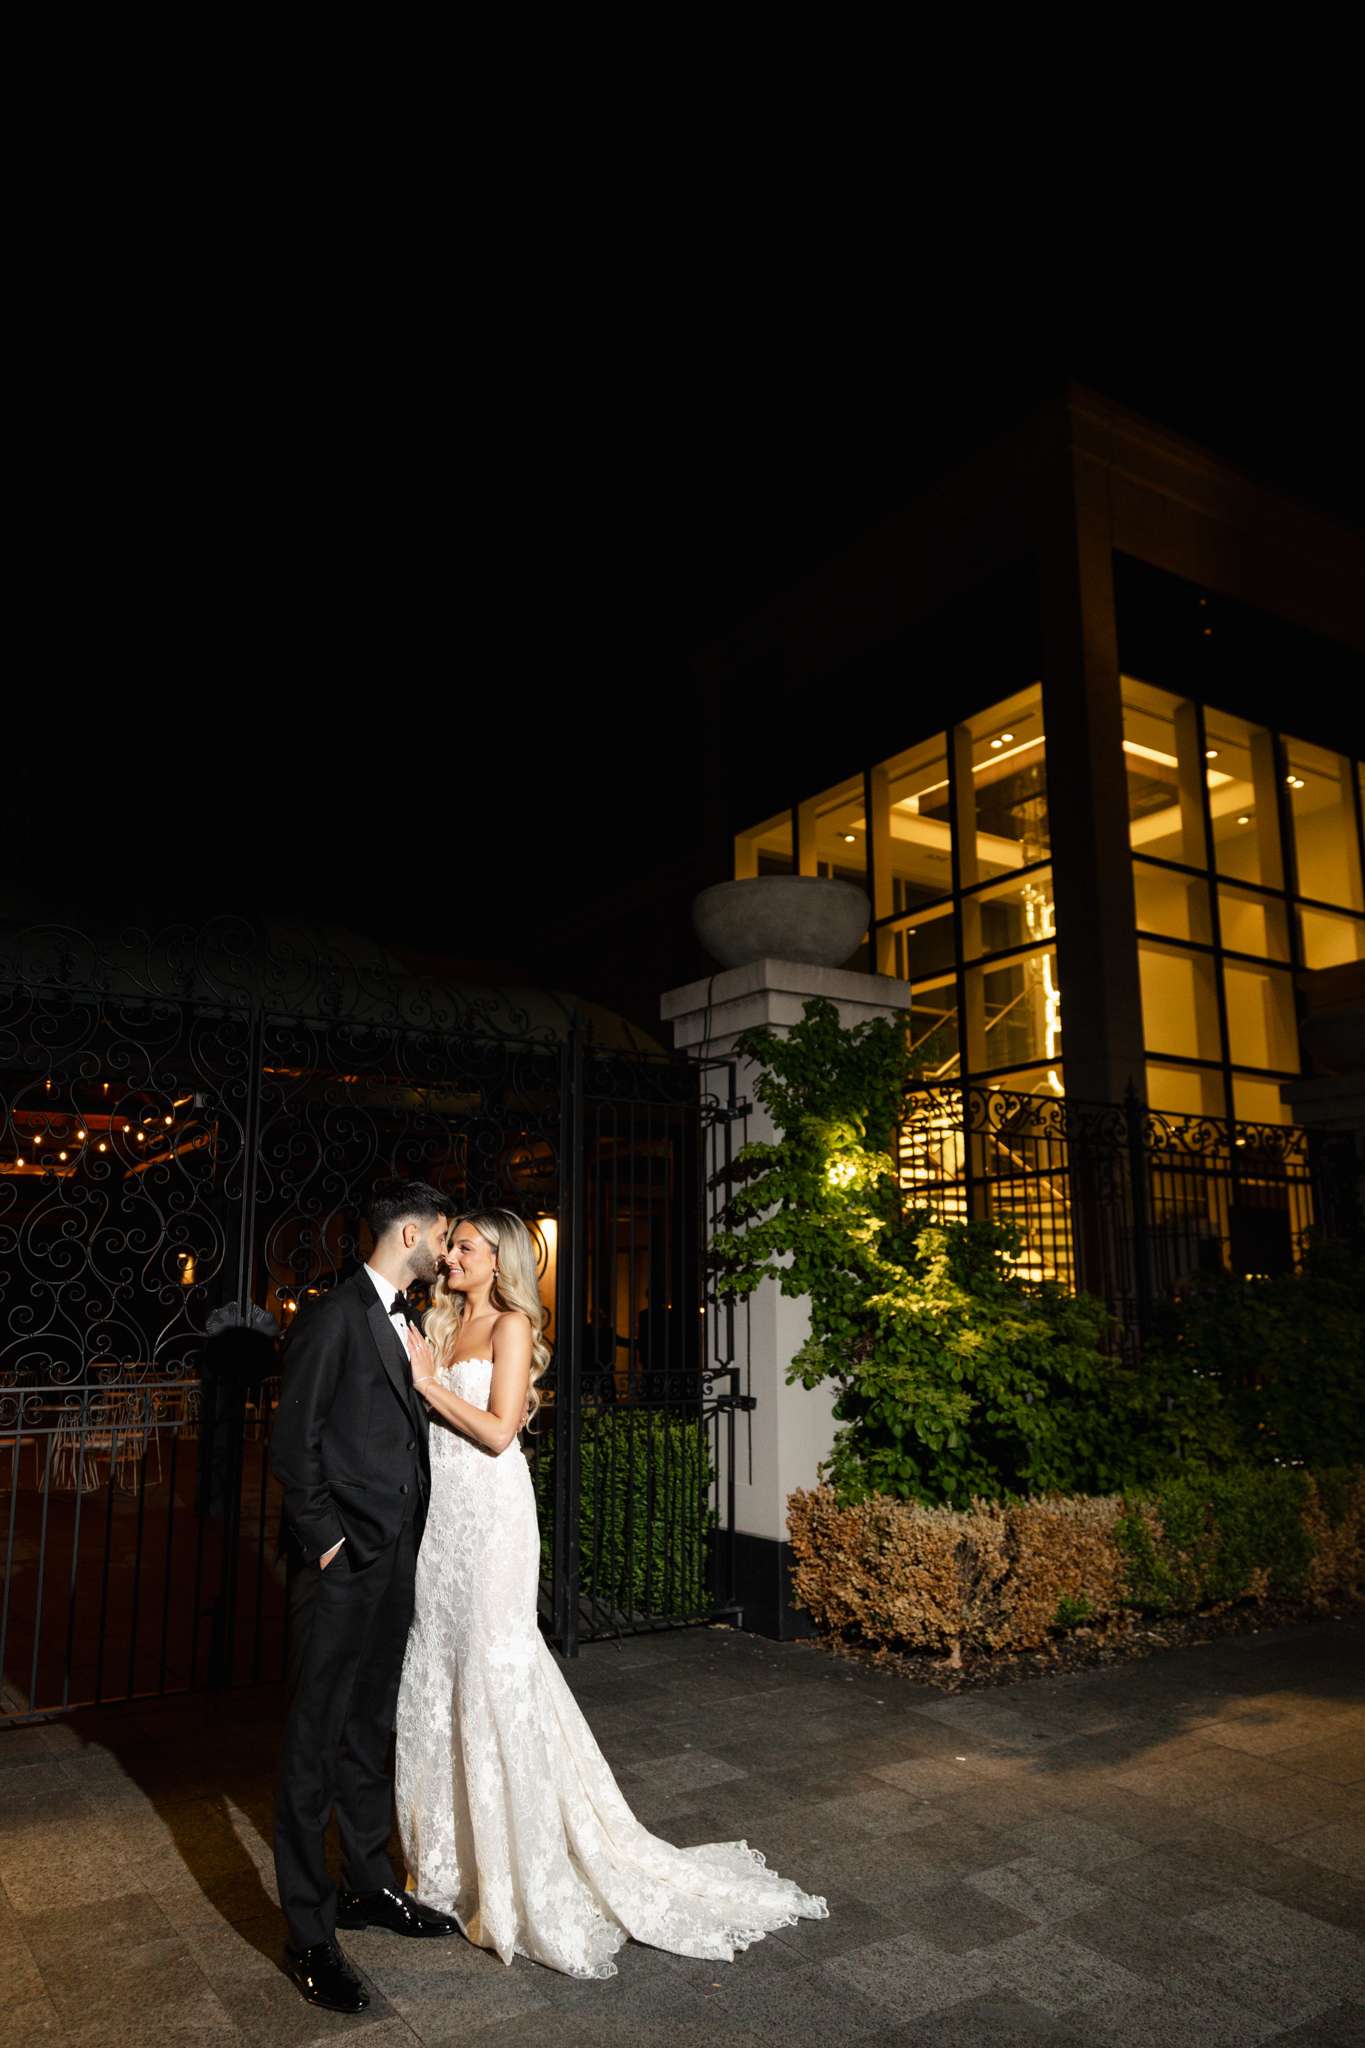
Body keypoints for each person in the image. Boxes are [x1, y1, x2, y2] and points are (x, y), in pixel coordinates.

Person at [395, 1208, 826, 1980]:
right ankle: (448, 1866)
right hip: (442, 1526)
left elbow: (498, 1434)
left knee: (496, 1675)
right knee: (438, 1678)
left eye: (464, 1246)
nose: (449, 1254)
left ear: (500, 1262)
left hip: (492, 1523)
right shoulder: (438, 1322)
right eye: (450, 1244)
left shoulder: (511, 1328)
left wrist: (428, 1384)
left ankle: (517, 1874)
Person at [270, 1180, 462, 2015]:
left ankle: (368, 1885)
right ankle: (310, 1933)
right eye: (443, 1236)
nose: (447, 1250)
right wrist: (327, 1542)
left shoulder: (409, 1319)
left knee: (368, 1726)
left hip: (394, 1563)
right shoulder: (331, 1314)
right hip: (341, 1565)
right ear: (409, 1232)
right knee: (312, 1744)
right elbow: (293, 1442)